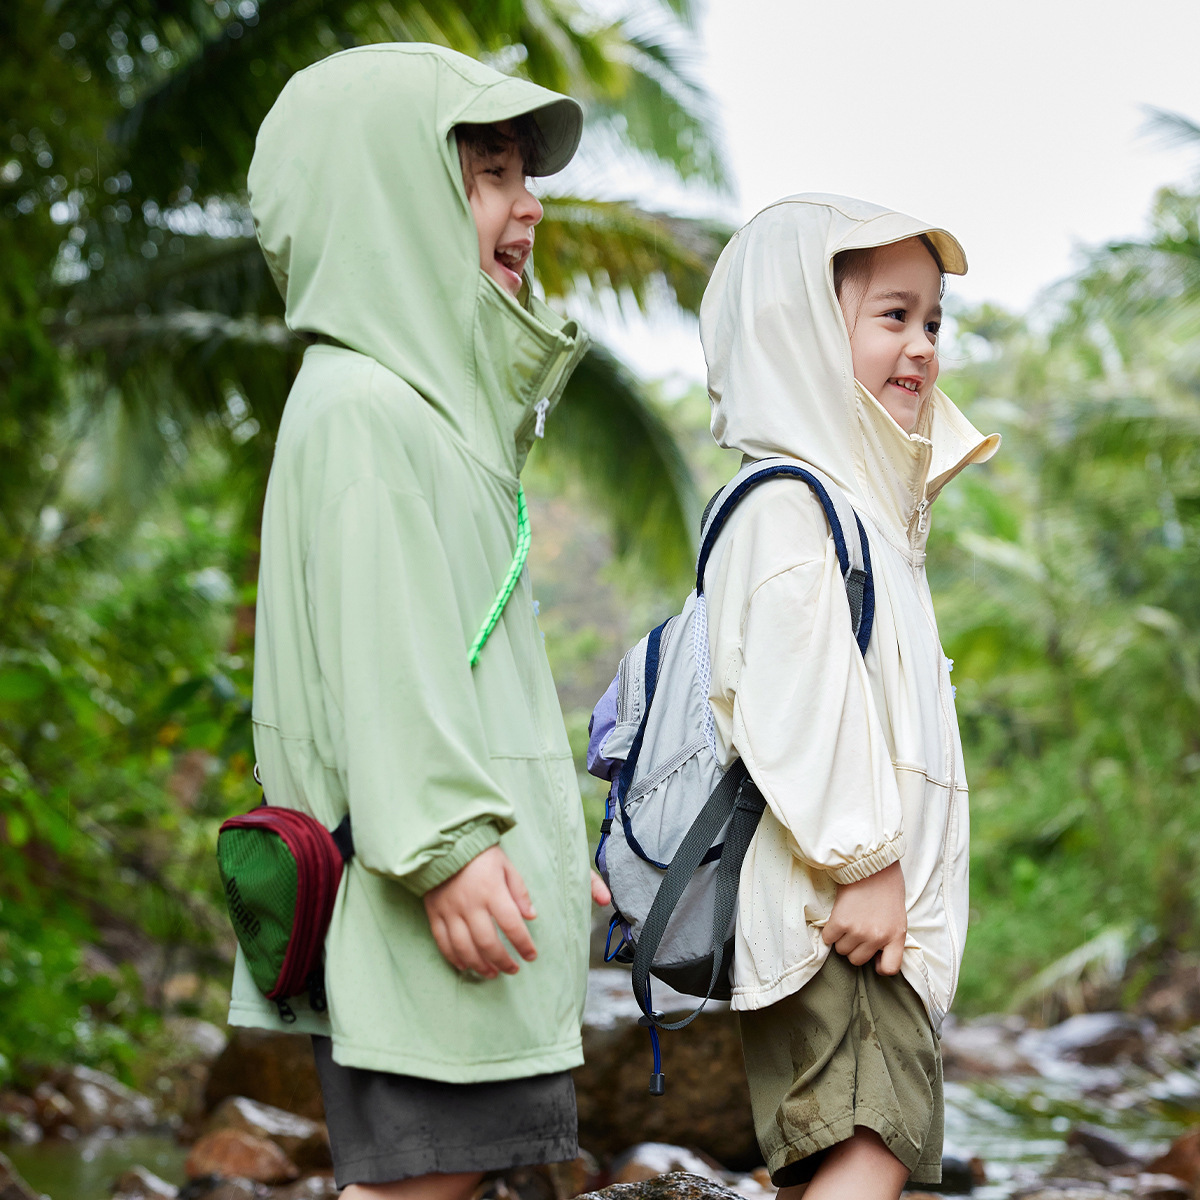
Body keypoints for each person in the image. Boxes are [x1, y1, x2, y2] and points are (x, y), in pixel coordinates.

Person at [227, 43, 608, 1200]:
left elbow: (468, 669)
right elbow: (386, 668)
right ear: (390, 196)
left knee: (450, 1180)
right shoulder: (365, 411)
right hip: (420, 891)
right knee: (417, 1189)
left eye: (523, 177)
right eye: (490, 173)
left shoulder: (433, 422)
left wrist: (538, 833)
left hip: (464, 881)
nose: (528, 206)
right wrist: (447, 845)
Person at [697, 195, 1000, 1199]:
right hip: (845, 913)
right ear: (804, 331)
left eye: (933, 322)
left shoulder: (859, 511)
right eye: (893, 316)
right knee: (872, 1156)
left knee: (837, 1156)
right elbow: (798, 700)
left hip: (850, 914)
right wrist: (868, 860)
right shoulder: (791, 504)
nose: (922, 348)